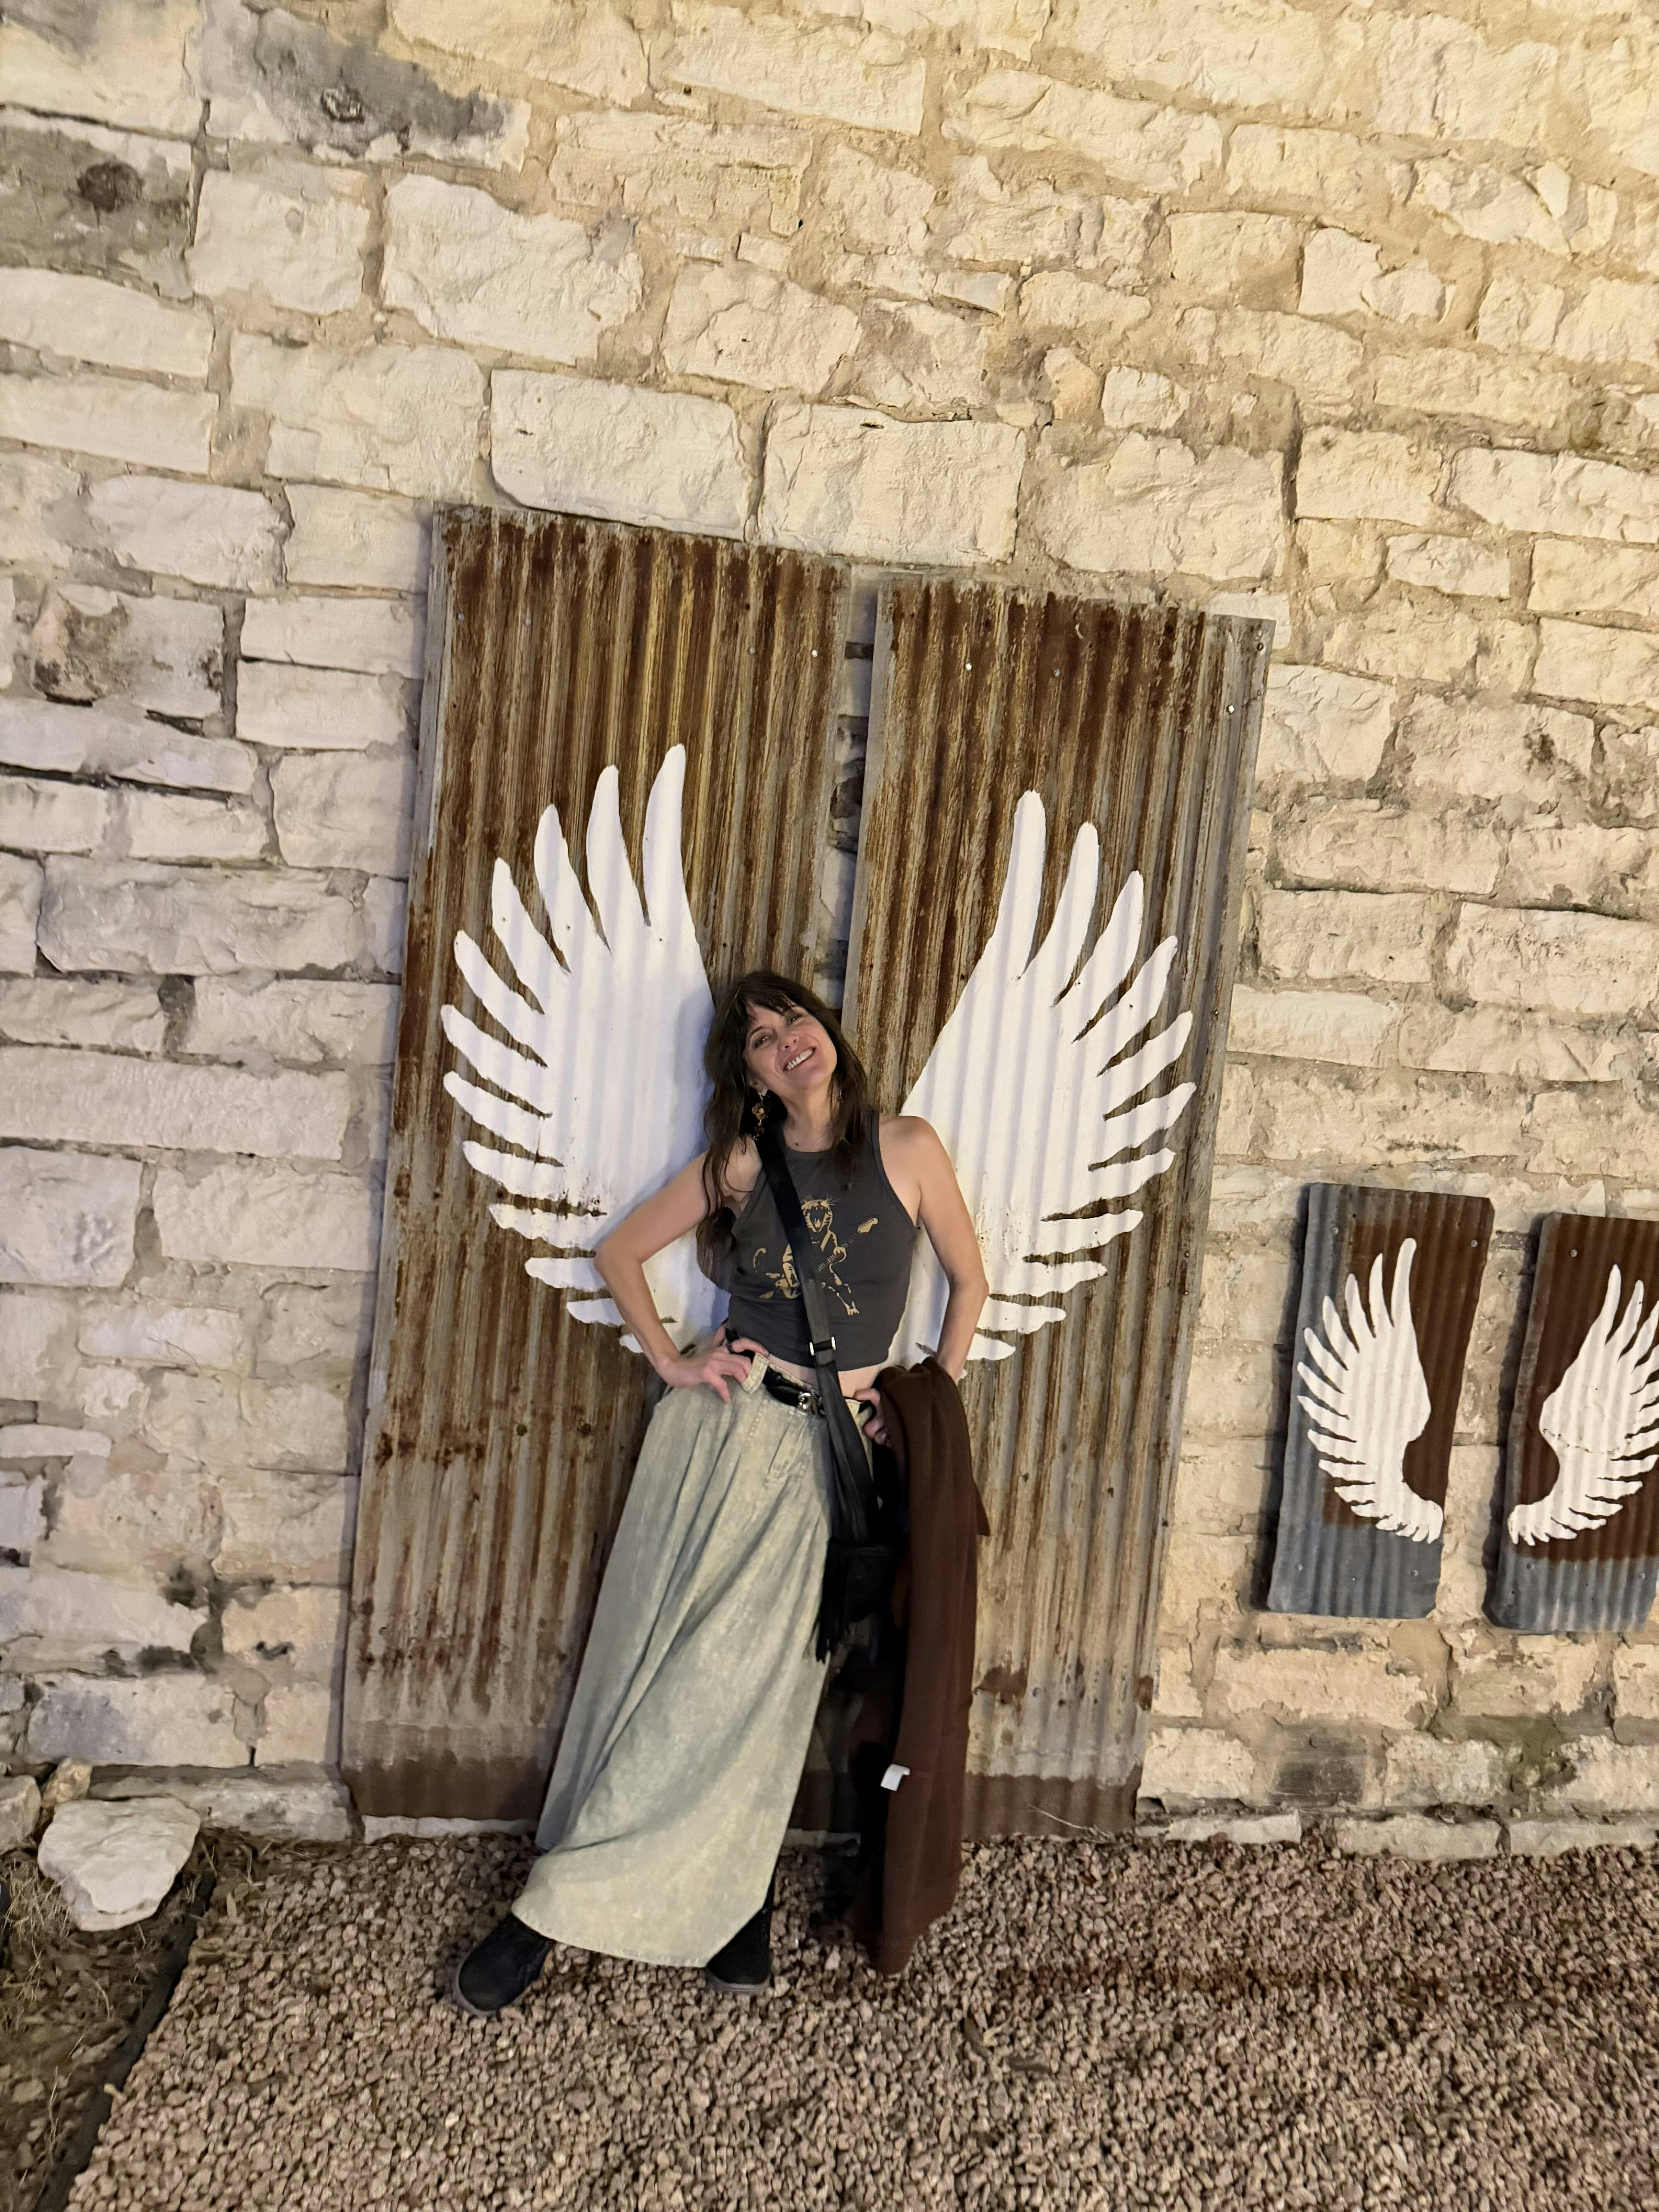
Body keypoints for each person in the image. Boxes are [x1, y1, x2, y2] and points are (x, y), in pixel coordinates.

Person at [452, 970, 989, 2013]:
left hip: (830, 1459)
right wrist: (673, 1360)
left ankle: (733, 1900)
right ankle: (552, 1909)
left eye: (795, 1019)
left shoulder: (909, 1148)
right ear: (750, 1079)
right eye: (759, 1039)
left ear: (826, 1032)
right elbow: (619, 1252)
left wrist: (926, 1395)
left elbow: (969, 1282)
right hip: (726, 1436)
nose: (787, 1040)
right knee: (670, 1666)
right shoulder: (742, 1164)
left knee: (769, 1687)